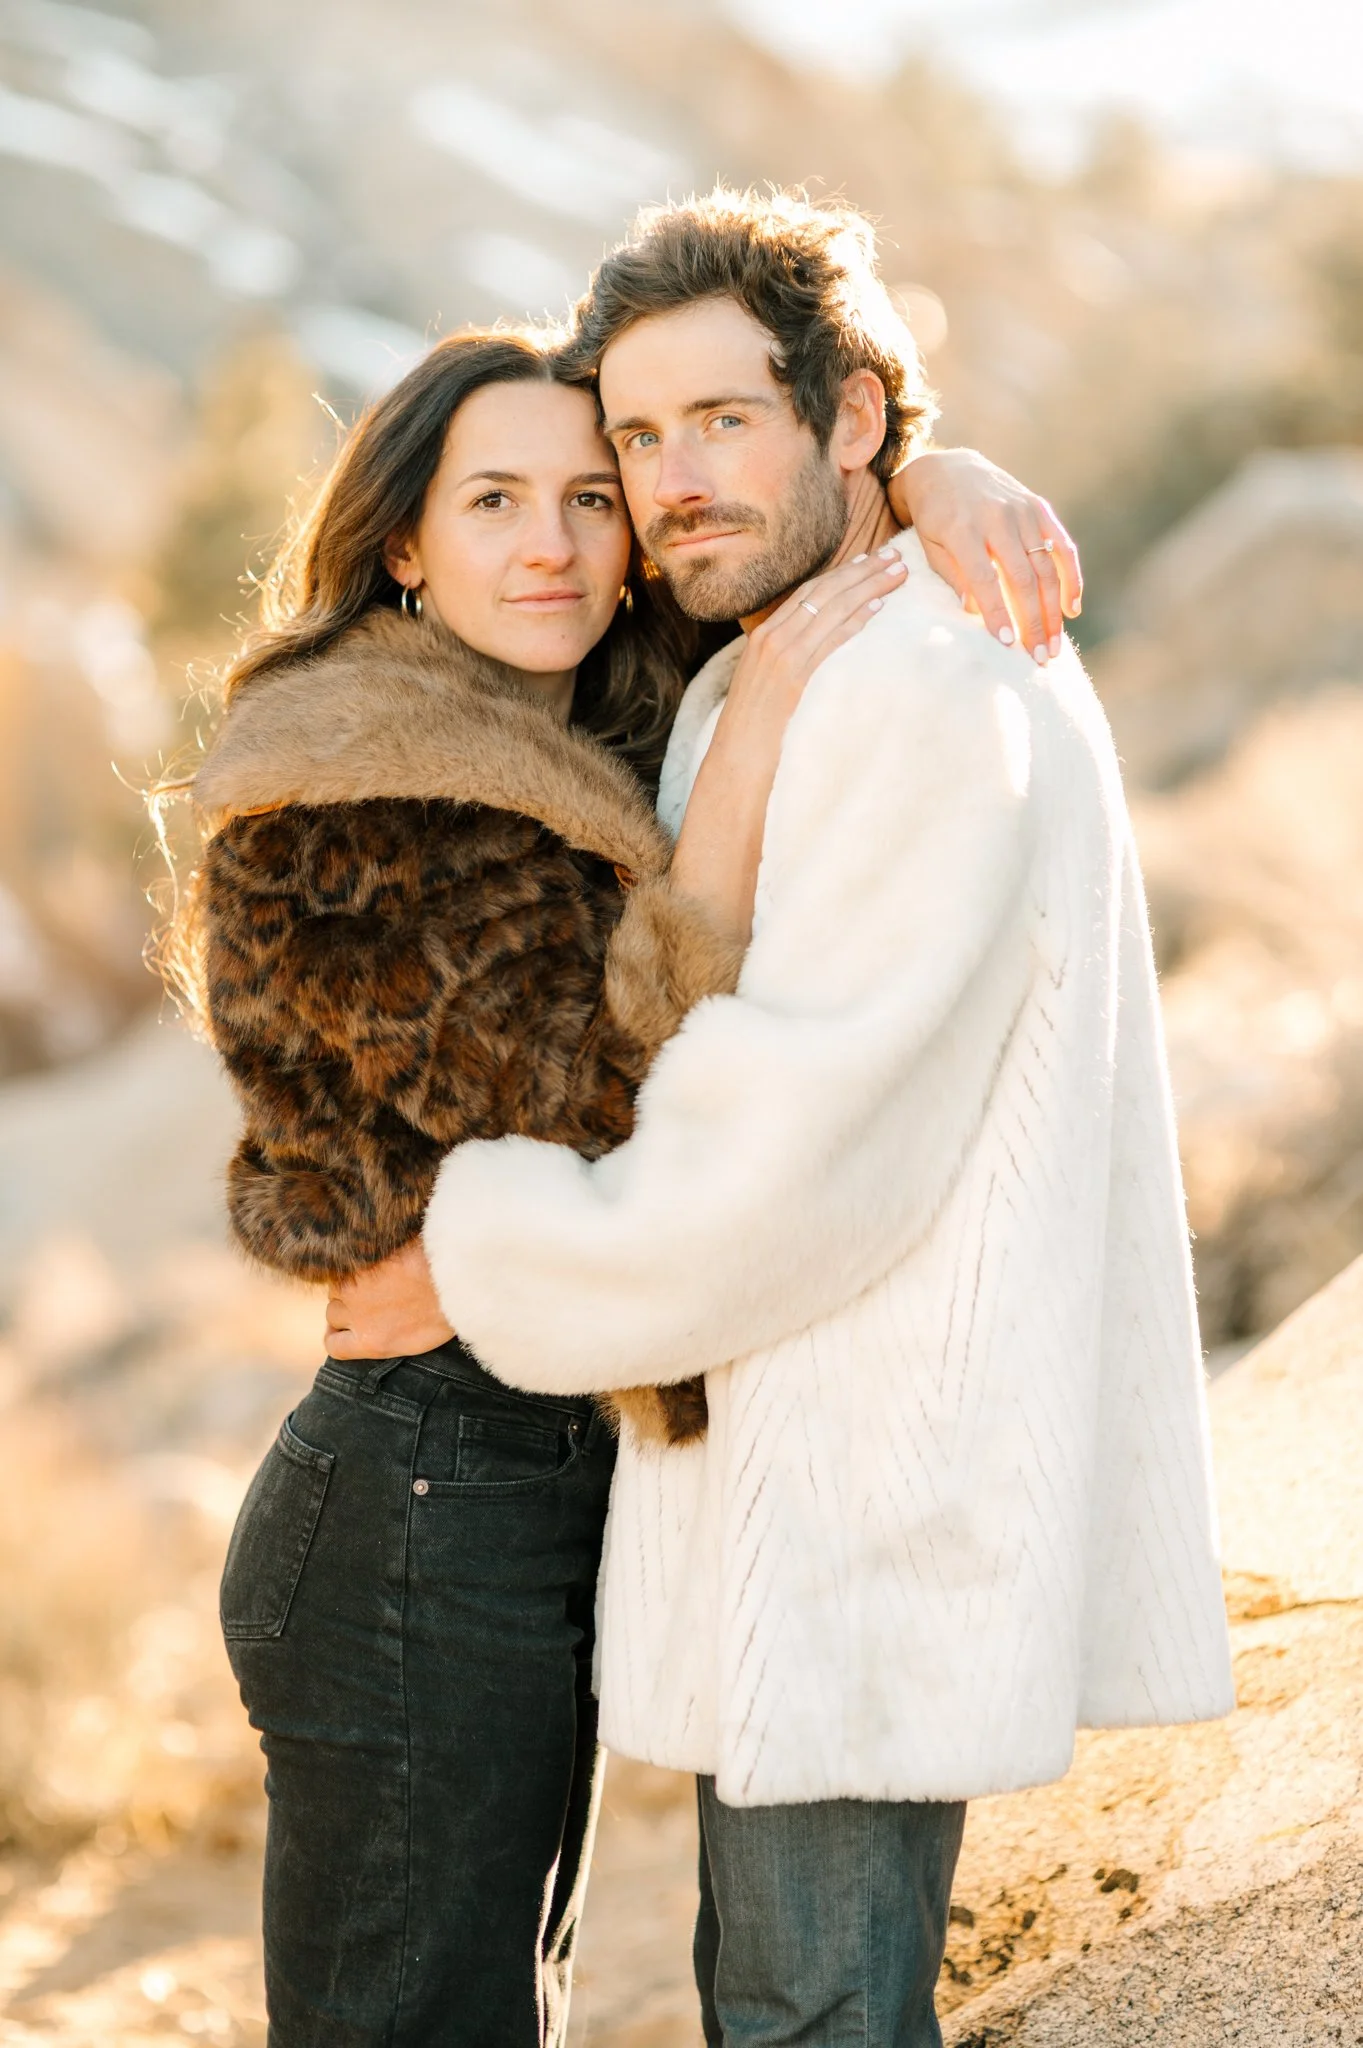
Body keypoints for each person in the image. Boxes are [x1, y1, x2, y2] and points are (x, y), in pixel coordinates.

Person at [328, 189, 1236, 2048]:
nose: (667, 485)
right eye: (637, 439)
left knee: (811, 2016)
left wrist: (481, 1268)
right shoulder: (812, 644)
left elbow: (779, 1155)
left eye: (721, 420)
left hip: (861, 1529)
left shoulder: (914, 685)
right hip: (834, 1523)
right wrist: (927, 482)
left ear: (848, 424)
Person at [166, 311, 1078, 2047]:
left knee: (508, 2008)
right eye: (493, 500)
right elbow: (607, 1102)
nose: (560, 542)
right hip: (413, 1497)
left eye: (593, 496)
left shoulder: (565, 720)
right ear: (404, 547)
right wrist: (753, 753)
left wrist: (930, 473)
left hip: (515, 1481)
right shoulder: (349, 781)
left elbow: (777, 514)